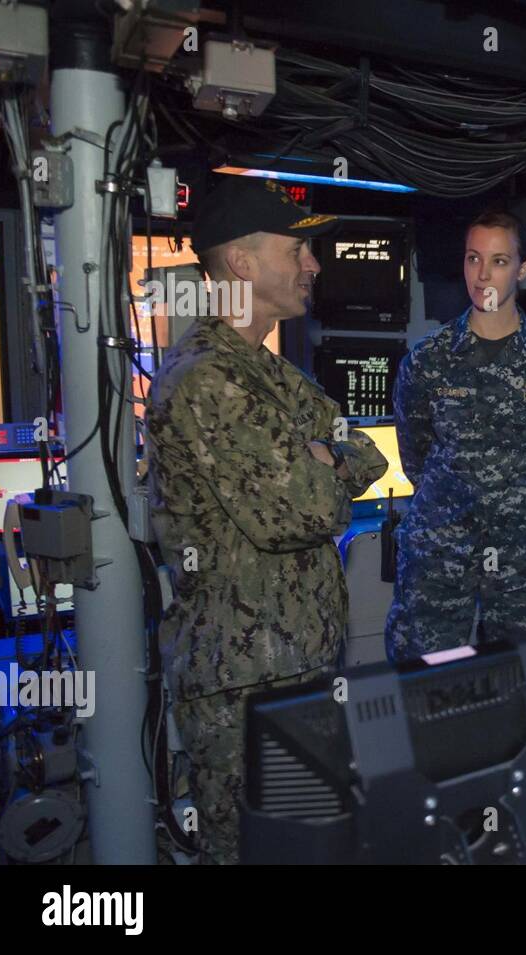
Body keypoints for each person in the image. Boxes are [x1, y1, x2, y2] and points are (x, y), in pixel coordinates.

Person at [147, 176, 388, 864]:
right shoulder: (203, 377)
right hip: (244, 682)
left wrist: (325, 460)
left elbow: (364, 447)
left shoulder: (266, 371)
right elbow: (301, 513)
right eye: (297, 249)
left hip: (300, 666)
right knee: (253, 853)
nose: (312, 263)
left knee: (311, 847)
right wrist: (324, 467)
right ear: (242, 264)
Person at [385, 211, 526, 660]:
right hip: (442, 548)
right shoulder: (428, 360)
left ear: (522, 269)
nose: (483, 274)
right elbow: (415, 452)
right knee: (428, 679)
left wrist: (518, 498)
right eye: (474, 258)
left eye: (498, 261)